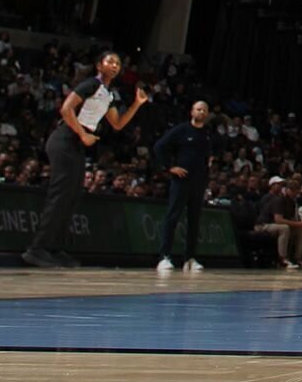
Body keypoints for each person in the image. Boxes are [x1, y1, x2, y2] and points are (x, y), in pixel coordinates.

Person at [24, 50, 149, 268]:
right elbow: (66, 109)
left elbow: (117, 124)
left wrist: (137, 104)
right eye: (110, 61)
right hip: (65, 139)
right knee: (60, 194)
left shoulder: (108, 94)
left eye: (118, 63)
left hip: (77, 144)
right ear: (99, 65)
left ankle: (53, 248)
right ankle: (36, 249)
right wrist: (82, 134)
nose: (115, 65)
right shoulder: (90, 84)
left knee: (72, 196)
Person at [153, 99, 216, 273]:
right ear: (192, 111)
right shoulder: (182, 130)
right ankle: (164, 256)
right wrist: (170, 167)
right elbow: (159, 147)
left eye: (204, 110)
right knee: (172, 217)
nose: (201, 113)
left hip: (199, 182)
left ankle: (189, 258)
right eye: (198, 109)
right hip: (182, 181)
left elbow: (209, 152)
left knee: (194, 220)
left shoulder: (208, 133)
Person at [253, 177, 302, 268]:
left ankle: (297, 258)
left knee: (301, 229)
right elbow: (278, 220)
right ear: (288, 190)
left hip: (275, 225)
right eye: (294, 191)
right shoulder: (279, 200)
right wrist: (298, 224)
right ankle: (283, 259)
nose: (295, 194)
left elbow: (292, 218)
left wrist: (301, 224)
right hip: (263, 225)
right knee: (284, 228)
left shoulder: (292, 202)